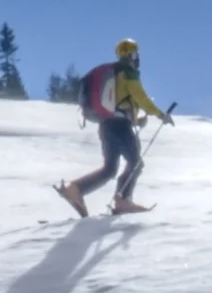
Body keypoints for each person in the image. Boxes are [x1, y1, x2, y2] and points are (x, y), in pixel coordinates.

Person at [56, 39, 168, 216]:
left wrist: (135, 121)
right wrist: (160, 114)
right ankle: (123, 200)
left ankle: (75, 189)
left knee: (109, 169)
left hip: (106, 125)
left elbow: (117, 105)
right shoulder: (128, 73)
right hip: (121, 126)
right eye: (136, 54)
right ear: (132, 54)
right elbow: (141, 98)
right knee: (135, 163)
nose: (137, 58)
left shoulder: (113, 74)